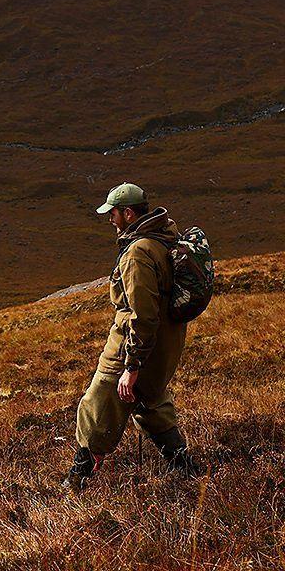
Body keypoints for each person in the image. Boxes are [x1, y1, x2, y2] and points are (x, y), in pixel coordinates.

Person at [64, 183, 205, 490]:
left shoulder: (139, 253)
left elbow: (143, 315)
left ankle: (78, 479)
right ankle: (186, 469)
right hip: (166, 342)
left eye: (113, 214)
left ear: (127, 213)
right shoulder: (164, 237)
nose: (110, 220)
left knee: (98, 402)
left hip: (134, 347)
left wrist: (131, 366)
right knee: (150, 402)